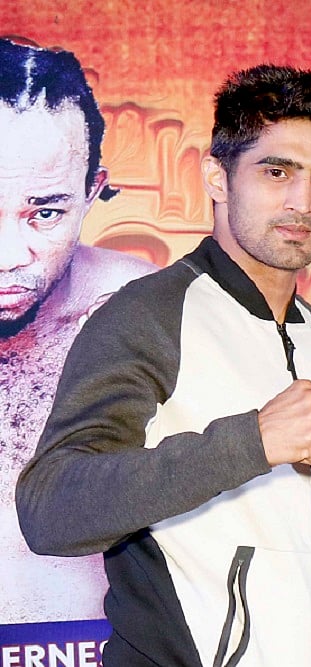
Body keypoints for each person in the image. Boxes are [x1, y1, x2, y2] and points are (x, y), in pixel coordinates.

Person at [16, 64, 311, 665]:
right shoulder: (149, 316)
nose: (302, 202)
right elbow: (50, 511)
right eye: (276, 172)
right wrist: (251, 442)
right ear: (218, 177)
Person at [0, 38, 155, 624]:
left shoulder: (142, 312)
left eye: (45, 212)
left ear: (92, 192)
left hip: (103, 651)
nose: (9, 257)